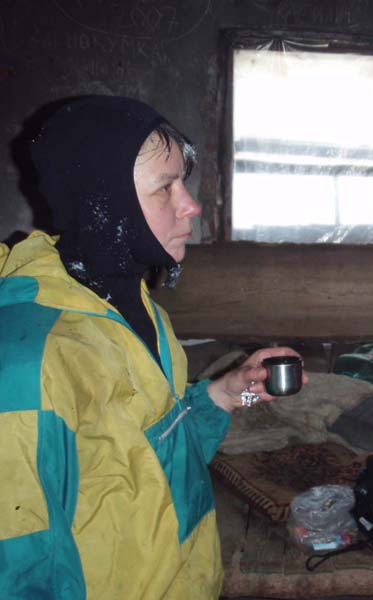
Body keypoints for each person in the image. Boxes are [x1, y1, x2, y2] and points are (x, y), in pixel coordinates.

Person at [0, 96, 306, 598]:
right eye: (166, 187)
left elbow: (158, 453)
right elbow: (21, 570)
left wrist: (231, 394)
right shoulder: (28, 363)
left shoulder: (137, 309)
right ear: (103, 200)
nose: (191, 205)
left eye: (182, 183)